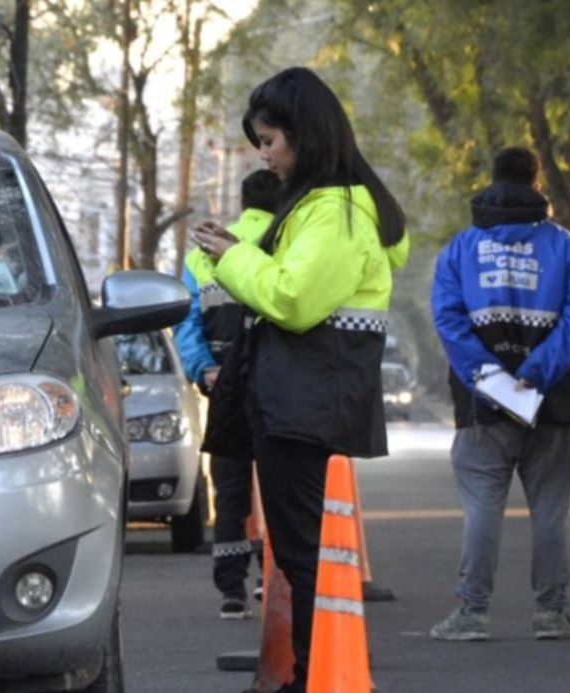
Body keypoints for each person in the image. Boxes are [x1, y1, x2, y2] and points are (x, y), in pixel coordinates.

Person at [191, 66, 407, 692]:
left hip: (304, 400)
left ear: (304, 137)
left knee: (305, 555)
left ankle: (317, 677)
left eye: (270, 140)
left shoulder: (335, 212)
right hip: (299, 400)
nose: (265, 154)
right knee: (298, 552)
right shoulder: (321, 207)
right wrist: (239, 251)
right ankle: (312, 673)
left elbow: (293, 300)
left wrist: (232, 257)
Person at [427, 147, 570, 642]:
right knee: (550, 511)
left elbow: (449, 320)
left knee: (481, 508)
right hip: (554, 401)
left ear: (492, 181)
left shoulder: (459, 250)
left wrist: (489, 376)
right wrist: (537, 372)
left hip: (482, 406)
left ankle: (472, 613)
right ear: (538, 185)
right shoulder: (567, 248)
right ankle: (551, 614)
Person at [173, 169, 282, 620]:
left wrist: (205, 369)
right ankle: (275, 579)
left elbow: (185, 321)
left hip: (225, 385)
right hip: (277, 385)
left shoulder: (204, 252)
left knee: (231, 488)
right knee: (281, 486)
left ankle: (231, 590)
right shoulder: (288, 244)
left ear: (242, 202)